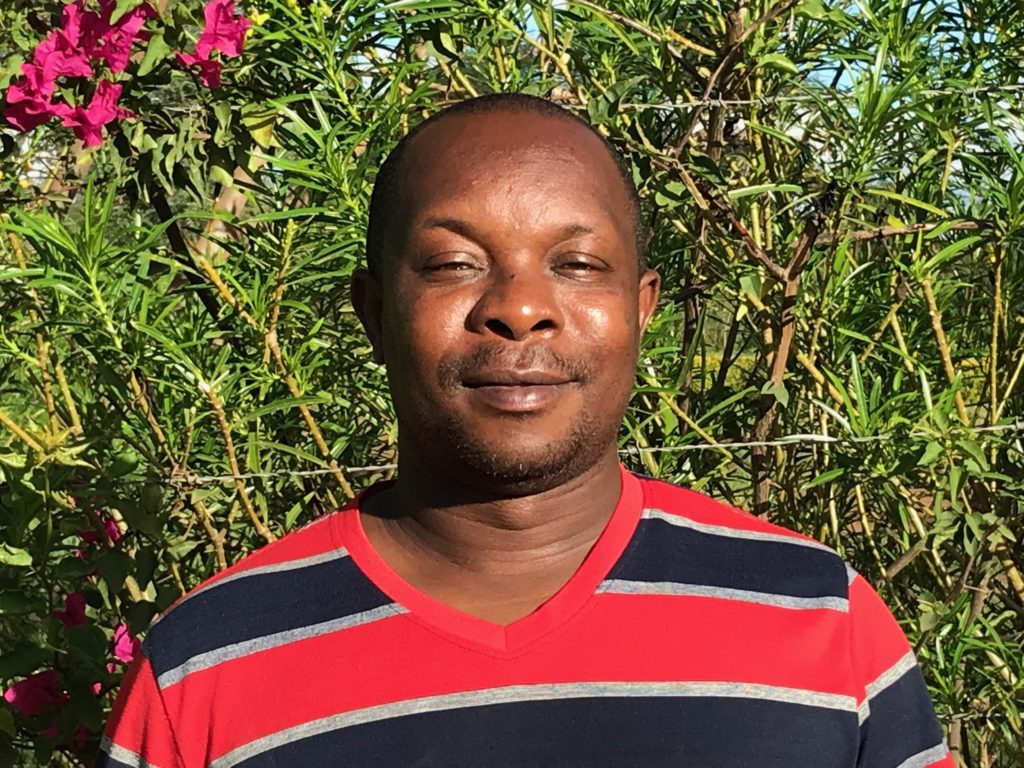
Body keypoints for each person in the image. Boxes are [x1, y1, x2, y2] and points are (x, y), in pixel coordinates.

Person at [97, 93, 952, 767]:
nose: (519, 308)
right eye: (453, 264)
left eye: (576, 264)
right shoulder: (206, 672)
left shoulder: (820, 623)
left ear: (641, 310)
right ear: (375, 313)